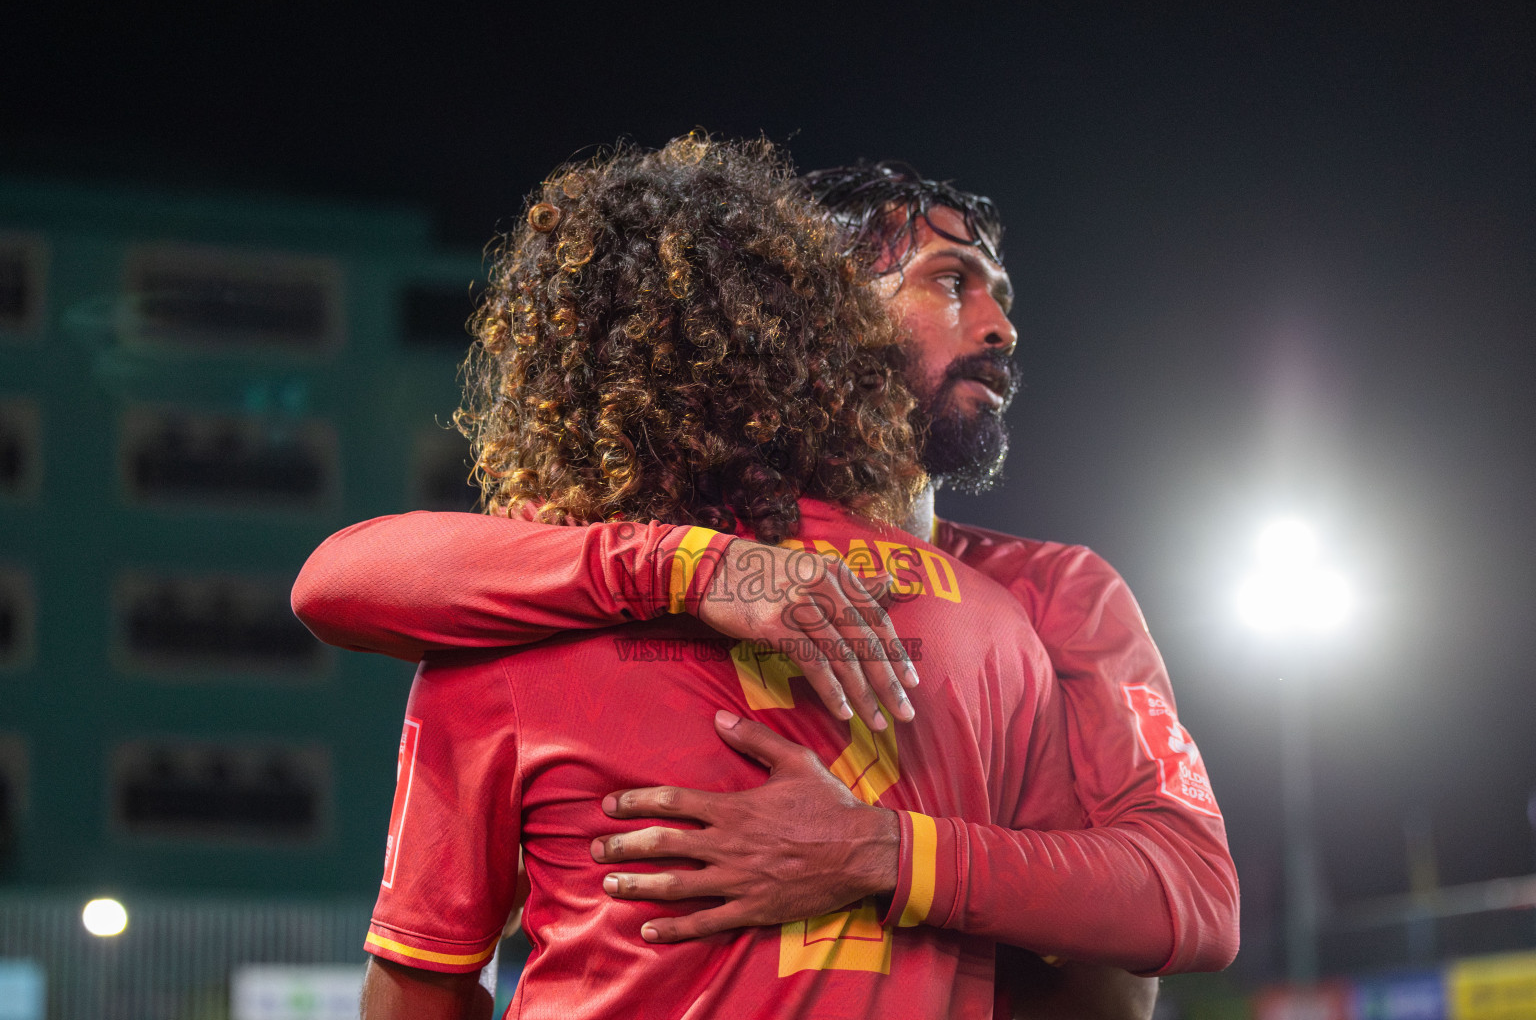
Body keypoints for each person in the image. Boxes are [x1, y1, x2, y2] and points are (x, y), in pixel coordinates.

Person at [299, 145, 1239, 1017]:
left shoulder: (1047, 593)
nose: (1002, 326)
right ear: (814, 313)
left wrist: (875, 851)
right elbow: (340, 577)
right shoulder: (600, 567)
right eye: (950, 282)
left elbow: (1184, 898)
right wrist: (701, 564)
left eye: (998, 292)